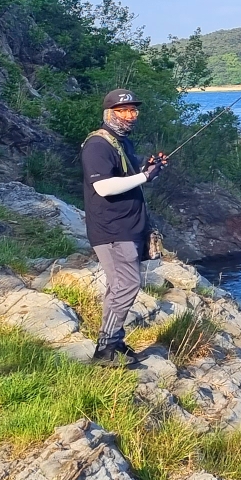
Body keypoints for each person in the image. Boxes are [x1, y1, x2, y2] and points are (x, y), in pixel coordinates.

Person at [81, 88, 168, 367]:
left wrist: (148, 170)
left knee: (118, 286)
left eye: (134, 110)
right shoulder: (97, 144)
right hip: (111, 229)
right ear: (109, 114)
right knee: (127, 285)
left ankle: (115, 342)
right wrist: (144, 176)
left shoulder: (123, 144)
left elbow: (127, 178)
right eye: (124, 111)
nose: (131, 116)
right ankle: (105, 350)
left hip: (129, 227)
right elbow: (103, 186)